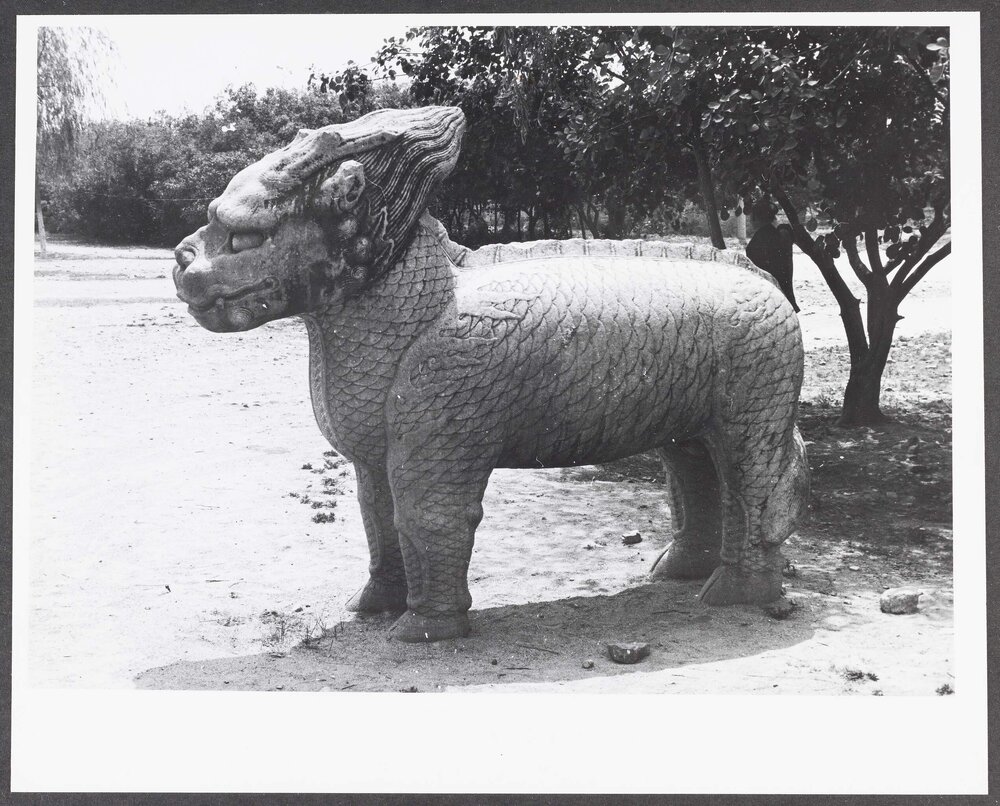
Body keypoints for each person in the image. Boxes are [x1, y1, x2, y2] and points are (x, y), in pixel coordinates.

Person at [745, 198, 800, 313]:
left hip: (768, 300)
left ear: (756, 219)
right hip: (786, 296)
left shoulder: (756, 242)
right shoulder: (784, 234)